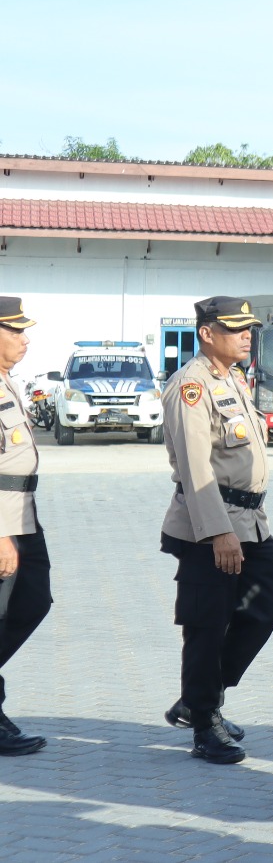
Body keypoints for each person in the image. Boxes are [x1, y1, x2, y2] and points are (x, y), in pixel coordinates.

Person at [159, 296, 273, 765]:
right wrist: (218, 533)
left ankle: (199, 698)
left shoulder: (232, 379)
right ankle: (205, 722)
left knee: (266, 606)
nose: (246, 335)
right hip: (208, 526)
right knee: (207, 624)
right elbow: (195, 469)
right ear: (207, 333)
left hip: (251, 522)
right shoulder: (191, 386)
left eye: (248, 328)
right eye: (235, 329)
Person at [0, 297, 49, 756]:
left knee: (34, 600)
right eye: (15, 331)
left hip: (23, 512)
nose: (25, 340)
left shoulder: (8, 382)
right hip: (2, 521)